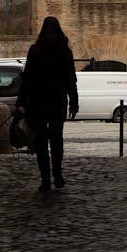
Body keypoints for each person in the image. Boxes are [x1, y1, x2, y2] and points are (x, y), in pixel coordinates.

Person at [16, 17, 79, 192]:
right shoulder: (35, 51)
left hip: (56, 101)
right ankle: (46, 178)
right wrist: (21, 102)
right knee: (42, 142)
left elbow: (70, 80)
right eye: (48, 33)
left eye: (52, 33)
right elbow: (27, 78)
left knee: (56, 138)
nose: (50, 36)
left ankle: (56, 173)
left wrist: (74, 102)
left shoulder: (64, 52)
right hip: (38, 102)